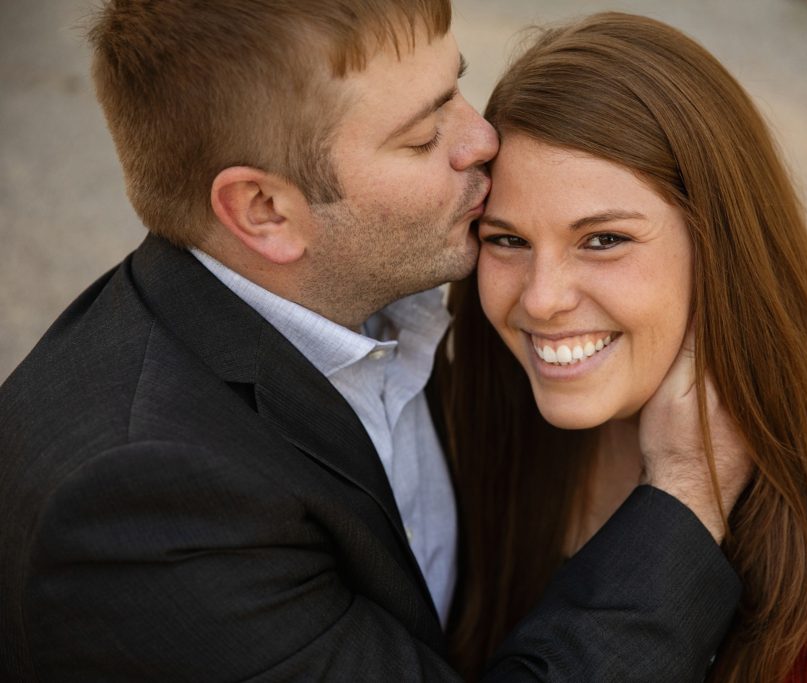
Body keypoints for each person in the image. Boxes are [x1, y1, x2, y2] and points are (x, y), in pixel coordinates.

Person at [0, 2, 753, 680]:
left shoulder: (373, 289)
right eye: (424, 136)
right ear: (264, 209)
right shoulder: (147, 511)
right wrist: (685, 489)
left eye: (456, 87)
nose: (483, 138)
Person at [442, 11, 807, 682]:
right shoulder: (490, 380)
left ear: (723, 242)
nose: (540, 300)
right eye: (507, 239)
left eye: (604, 240)